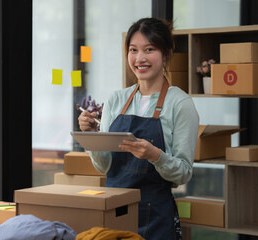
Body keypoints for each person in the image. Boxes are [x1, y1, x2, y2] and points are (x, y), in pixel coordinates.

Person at [78, 17, 199, 240]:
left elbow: (183, 173)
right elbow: (105, 168)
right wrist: (91, 136)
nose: (140, 58)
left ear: (166, 52)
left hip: (154, 216)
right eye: (133, 50)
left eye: (149, 49)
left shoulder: (180, 104)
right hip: (113, 210)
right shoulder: (116, 100)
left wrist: (156, 156)